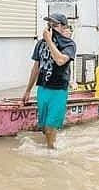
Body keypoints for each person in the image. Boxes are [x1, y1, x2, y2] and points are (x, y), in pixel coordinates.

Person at [22, 13, 76, 149]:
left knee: (51, 125)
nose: (50, 27)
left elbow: (60, 60)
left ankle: (50, 151)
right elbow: (36, 68)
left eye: (55, 25)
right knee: (44, 126)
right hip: (43, 88)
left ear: (63, 27)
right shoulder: (40, 44)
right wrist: (28, 90)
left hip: (58, 89)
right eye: (49, 24)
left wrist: (50, 41)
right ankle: (50, 145)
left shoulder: (69, 44)